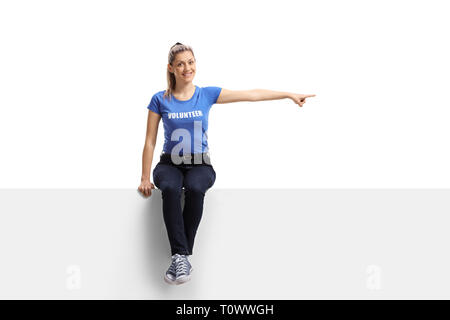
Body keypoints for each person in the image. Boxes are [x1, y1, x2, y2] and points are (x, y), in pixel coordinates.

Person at [138, 42, 315, 285]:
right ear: (171, 68)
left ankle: (180, 257)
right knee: (169, 188)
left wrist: (287, 94)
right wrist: (145, 177)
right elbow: (149, 141)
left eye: (190, 62)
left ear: (195, 64)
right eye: (180, 64)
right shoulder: (160, 99)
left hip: (200, 165)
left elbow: (251, 95)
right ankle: (181, 256)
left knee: (196, 188)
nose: (186, 68)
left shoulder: (207, 94)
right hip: (169, 164)